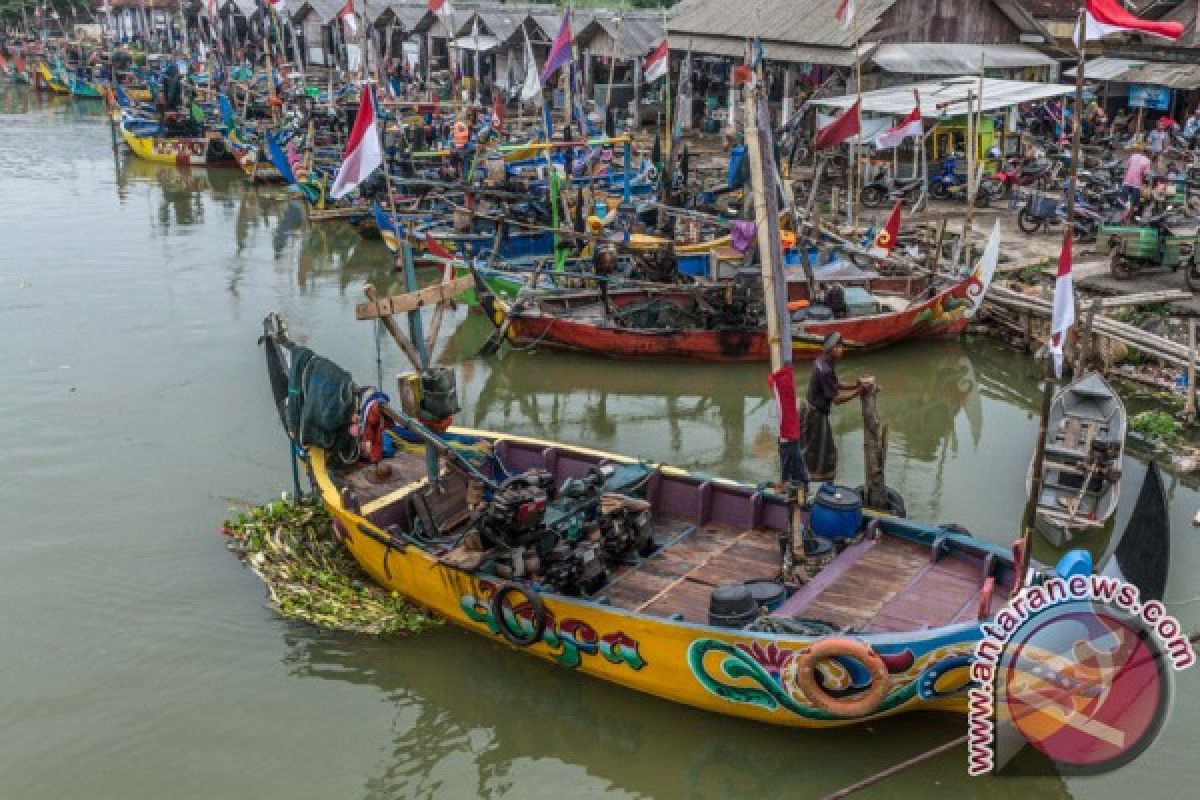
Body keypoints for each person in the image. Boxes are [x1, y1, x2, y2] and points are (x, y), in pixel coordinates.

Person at [802, 332, 870, 482]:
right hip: (816, 415)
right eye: (839, 347)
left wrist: (855, 384)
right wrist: (859, 391)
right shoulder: (825, 370)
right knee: (824, 453)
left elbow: (835, 384)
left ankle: (813, 479)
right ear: (831, 349)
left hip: (812, 411)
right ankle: (820, 483)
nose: (842, 350)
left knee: (813, 449)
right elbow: (837, 398)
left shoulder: (822, 361)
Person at [1122, 143, 1152, 218]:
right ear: (1149, 154)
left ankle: (1121, 217)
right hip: (1136, 184)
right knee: (1134, 203)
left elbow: (1127, 167)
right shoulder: (1148, 161)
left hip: (1126, 182)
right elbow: (1146, 174)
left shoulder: (1133, 156)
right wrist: (1146, 183)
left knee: (1123, 201)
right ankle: (1129, 218)